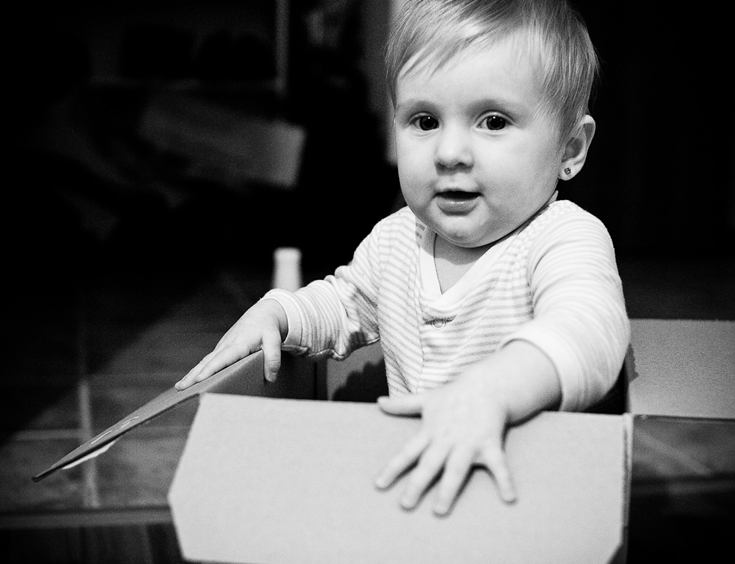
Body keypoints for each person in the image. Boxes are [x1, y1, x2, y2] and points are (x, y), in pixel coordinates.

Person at [176, 0, 629, 517]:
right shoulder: (396, 240)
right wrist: (278, 312)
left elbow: (590, 331)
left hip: (521, 495)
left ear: (570, 148)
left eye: (494, 121)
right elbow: (342, 303)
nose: (449, 152)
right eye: (425, 120)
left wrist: (494, 392)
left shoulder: (562, 237)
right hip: (416, 488)